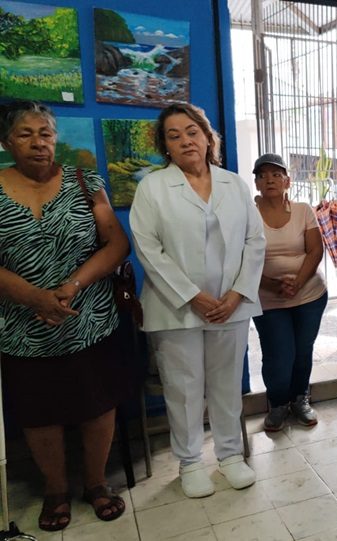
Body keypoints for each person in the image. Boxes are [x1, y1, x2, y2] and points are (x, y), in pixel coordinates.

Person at [0, 101, 130, 531]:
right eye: (26, 134)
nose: (38, 142)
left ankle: (96, 483)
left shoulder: (85, 181)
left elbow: (116, 244)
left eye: (46, 133)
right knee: (39, 412)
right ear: (6, 142)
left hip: (88, 318)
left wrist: (71, 286)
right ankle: (55, 490)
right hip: (22, 326)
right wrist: (35, 298)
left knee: (98, 404)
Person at [129, 102, 265, 498]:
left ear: (208, 138)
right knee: (183, 388)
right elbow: (148, 249)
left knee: (226, 384)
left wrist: (237, 293)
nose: (186, 141)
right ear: (165, 147)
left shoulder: (234, 184)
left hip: (231, 305)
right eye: (174, 136)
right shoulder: (153, 188)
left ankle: (230, 455)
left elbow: (255, 241)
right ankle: (189, 462)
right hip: (176, 308)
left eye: (192, 132)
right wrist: (193, 296)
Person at [251, 153, 328, 430]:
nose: (269, 180)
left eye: (276, 174)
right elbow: (243, 258)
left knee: (302, 350)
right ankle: (277, 403)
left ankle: (299, 399)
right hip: (268, 298)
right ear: (257, 184)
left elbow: (315, 250)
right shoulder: (249, 215)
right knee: (279, 354)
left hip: (309, 294)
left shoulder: (303, 210)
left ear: (288, 181)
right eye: (262, 176)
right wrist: (273, 284)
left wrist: (297, 282)